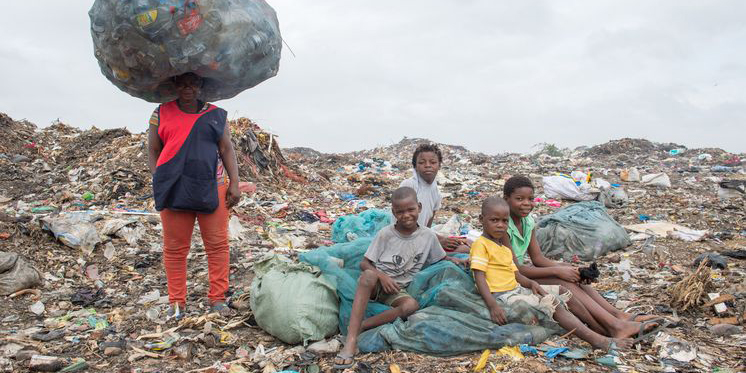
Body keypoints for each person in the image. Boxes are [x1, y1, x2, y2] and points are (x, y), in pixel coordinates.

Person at [501, 175, 660, 337]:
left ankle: (618, 315)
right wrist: (558, 272)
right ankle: (614, 326)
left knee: (573, 276)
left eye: (530, 199)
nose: (526, 204)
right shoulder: (503, 227)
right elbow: (518, 269)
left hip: (521, 275)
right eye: (519, 199)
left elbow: (538, 259)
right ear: (506, 199)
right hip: (508, 279)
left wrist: (571, 269)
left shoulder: (527, 222)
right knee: (563, 281)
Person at [471, 197, 634, 351]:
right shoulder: (481, 245)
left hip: (517, 288)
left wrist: (532, 284)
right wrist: (493, 305)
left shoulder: (504, 249)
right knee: (553, 303)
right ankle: (598, 340)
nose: (500, 225)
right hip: (502, 295)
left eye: (504, 221)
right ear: (481, 220)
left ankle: (600, 329)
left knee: (564, 292)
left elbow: (516, 275)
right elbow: (480, 278)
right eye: (494, 220)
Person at [335, 187, 466, 369]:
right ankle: (350, 340)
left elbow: (441, 259)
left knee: (411, 305)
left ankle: (363, 325)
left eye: (410, 209)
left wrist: (455, 260)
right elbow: (365, 263)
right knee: (368, 275)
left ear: (419, 207)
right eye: (400, 211)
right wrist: (383, 278)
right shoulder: (386, 234)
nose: (406, 215)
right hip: (378, 284)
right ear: (393, 212)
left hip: (398, 290)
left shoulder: (428, 236)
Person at [147, 72, 241, 319]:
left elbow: (226, 147)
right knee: (176, 248)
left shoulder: (215, 115)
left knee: (217, 244)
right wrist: (159, 179)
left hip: (212, 184)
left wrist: (235, 182)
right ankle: (177, 302)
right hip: (174, 186)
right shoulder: (160, 113)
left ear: (201, 85)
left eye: (193, 82)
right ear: (174, 84)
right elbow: (153, 149)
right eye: (182, 82)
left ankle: (218, 299)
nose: (187, 88)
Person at [399, 144, 468, 252]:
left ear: (439, 165)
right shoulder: (409, 186)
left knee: (466, 245)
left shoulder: (436, 193)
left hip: (421, 237)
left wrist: (436, 239)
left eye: (433, 162)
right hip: (404, 239)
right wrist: (436, 240)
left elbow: (427, 227)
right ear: (415, 166)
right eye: (422, 162)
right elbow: (403, 224)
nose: (427, 165)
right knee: (462, 250)